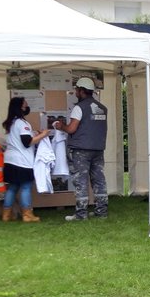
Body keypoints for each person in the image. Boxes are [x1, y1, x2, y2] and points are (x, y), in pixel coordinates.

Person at [60, 77, 108, 221]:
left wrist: (61, 126)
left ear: (81, 91)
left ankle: (81, 214)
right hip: (98, 149)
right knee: (99, 180)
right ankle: (101, 212)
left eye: (76, 90)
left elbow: (71, 128)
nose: (75, 92)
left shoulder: (79, 108)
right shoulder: (102, 108)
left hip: (81, 150)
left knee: (81, 181)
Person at [0, 96, 52, 223]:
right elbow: (27, 142)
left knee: (12, 187)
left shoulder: (10, 123)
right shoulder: (22, 123)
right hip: (22, 161)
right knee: (26, 187)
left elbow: (19, 139)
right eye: (25, 105)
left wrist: (34, 134)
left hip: (10, 160)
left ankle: (6, 214)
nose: (27, 107)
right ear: (20, 108)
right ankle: (27, 214)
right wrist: (43, 135)